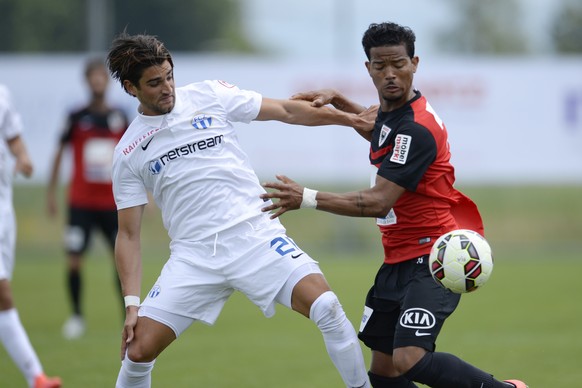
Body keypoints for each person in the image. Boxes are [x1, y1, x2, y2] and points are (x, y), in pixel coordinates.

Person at [260, 22, 528, 388]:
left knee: (410, 359)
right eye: (380, 66)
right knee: (384, 372)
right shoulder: (393, 114)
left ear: (415, 63)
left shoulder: (417, 128)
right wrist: (341, 101)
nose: (390, 74)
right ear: (367, 68)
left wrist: (305, 197)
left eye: (398, 64)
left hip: (433, 257)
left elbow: (377, 201)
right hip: (397, 258)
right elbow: (380, 131)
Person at [106, 32, 373, 388]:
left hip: (255, 236)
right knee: (137, 351)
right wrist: (131, 305)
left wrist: (350, 120)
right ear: (130, 88)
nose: (167, 87)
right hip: (194, 257)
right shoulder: (128, 152)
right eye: (154, 83)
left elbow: (287, 110)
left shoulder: (209, 95)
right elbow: (128, 234)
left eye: (169, 76)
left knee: (326, 307)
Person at [46, 58, 129, 339]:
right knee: (73, 260)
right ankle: (77, 317)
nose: (97, 81)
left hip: (112, 204)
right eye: (92, 77)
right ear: (87, 81)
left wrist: (147, 196)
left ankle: (127, 319)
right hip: (80, 203)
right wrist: (51, 193)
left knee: (121, 261)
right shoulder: (75, 117)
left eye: (101, 77)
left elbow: (134, 156)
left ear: (107, 81)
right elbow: (59, 153)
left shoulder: (120, 116)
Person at [0, 84, 62, 387]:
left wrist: (22, 156)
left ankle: (35, 377)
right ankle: (35, 376)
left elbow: (13, 136)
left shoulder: (1, 94)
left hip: (3, 211)